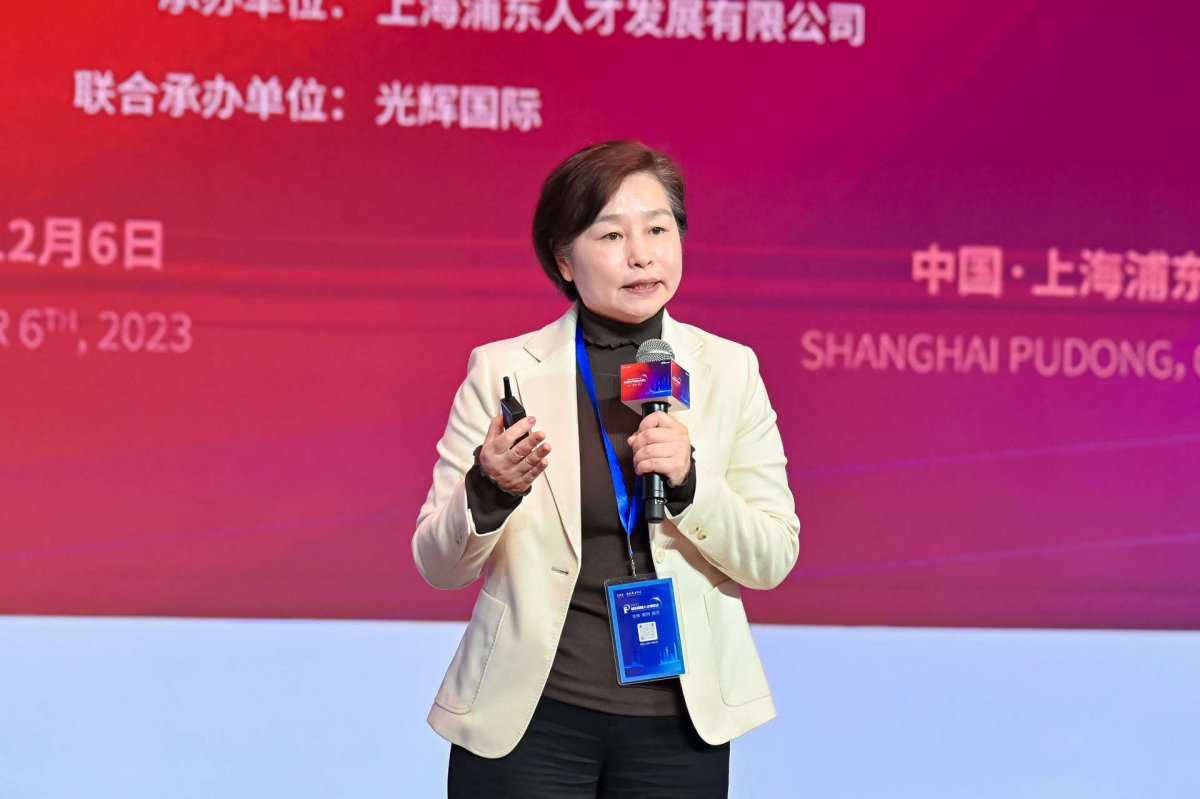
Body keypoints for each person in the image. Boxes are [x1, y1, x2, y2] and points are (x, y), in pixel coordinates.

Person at [413, 140, 800, 798]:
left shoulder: (729, 370)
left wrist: (690, 485)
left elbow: (772, 556)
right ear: (564, 259)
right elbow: (437, 563)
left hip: (679, 725)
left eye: (659, 229)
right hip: (530, 719)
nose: (642, 254)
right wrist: (489, 488)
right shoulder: (504, 372)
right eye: (612, 235)